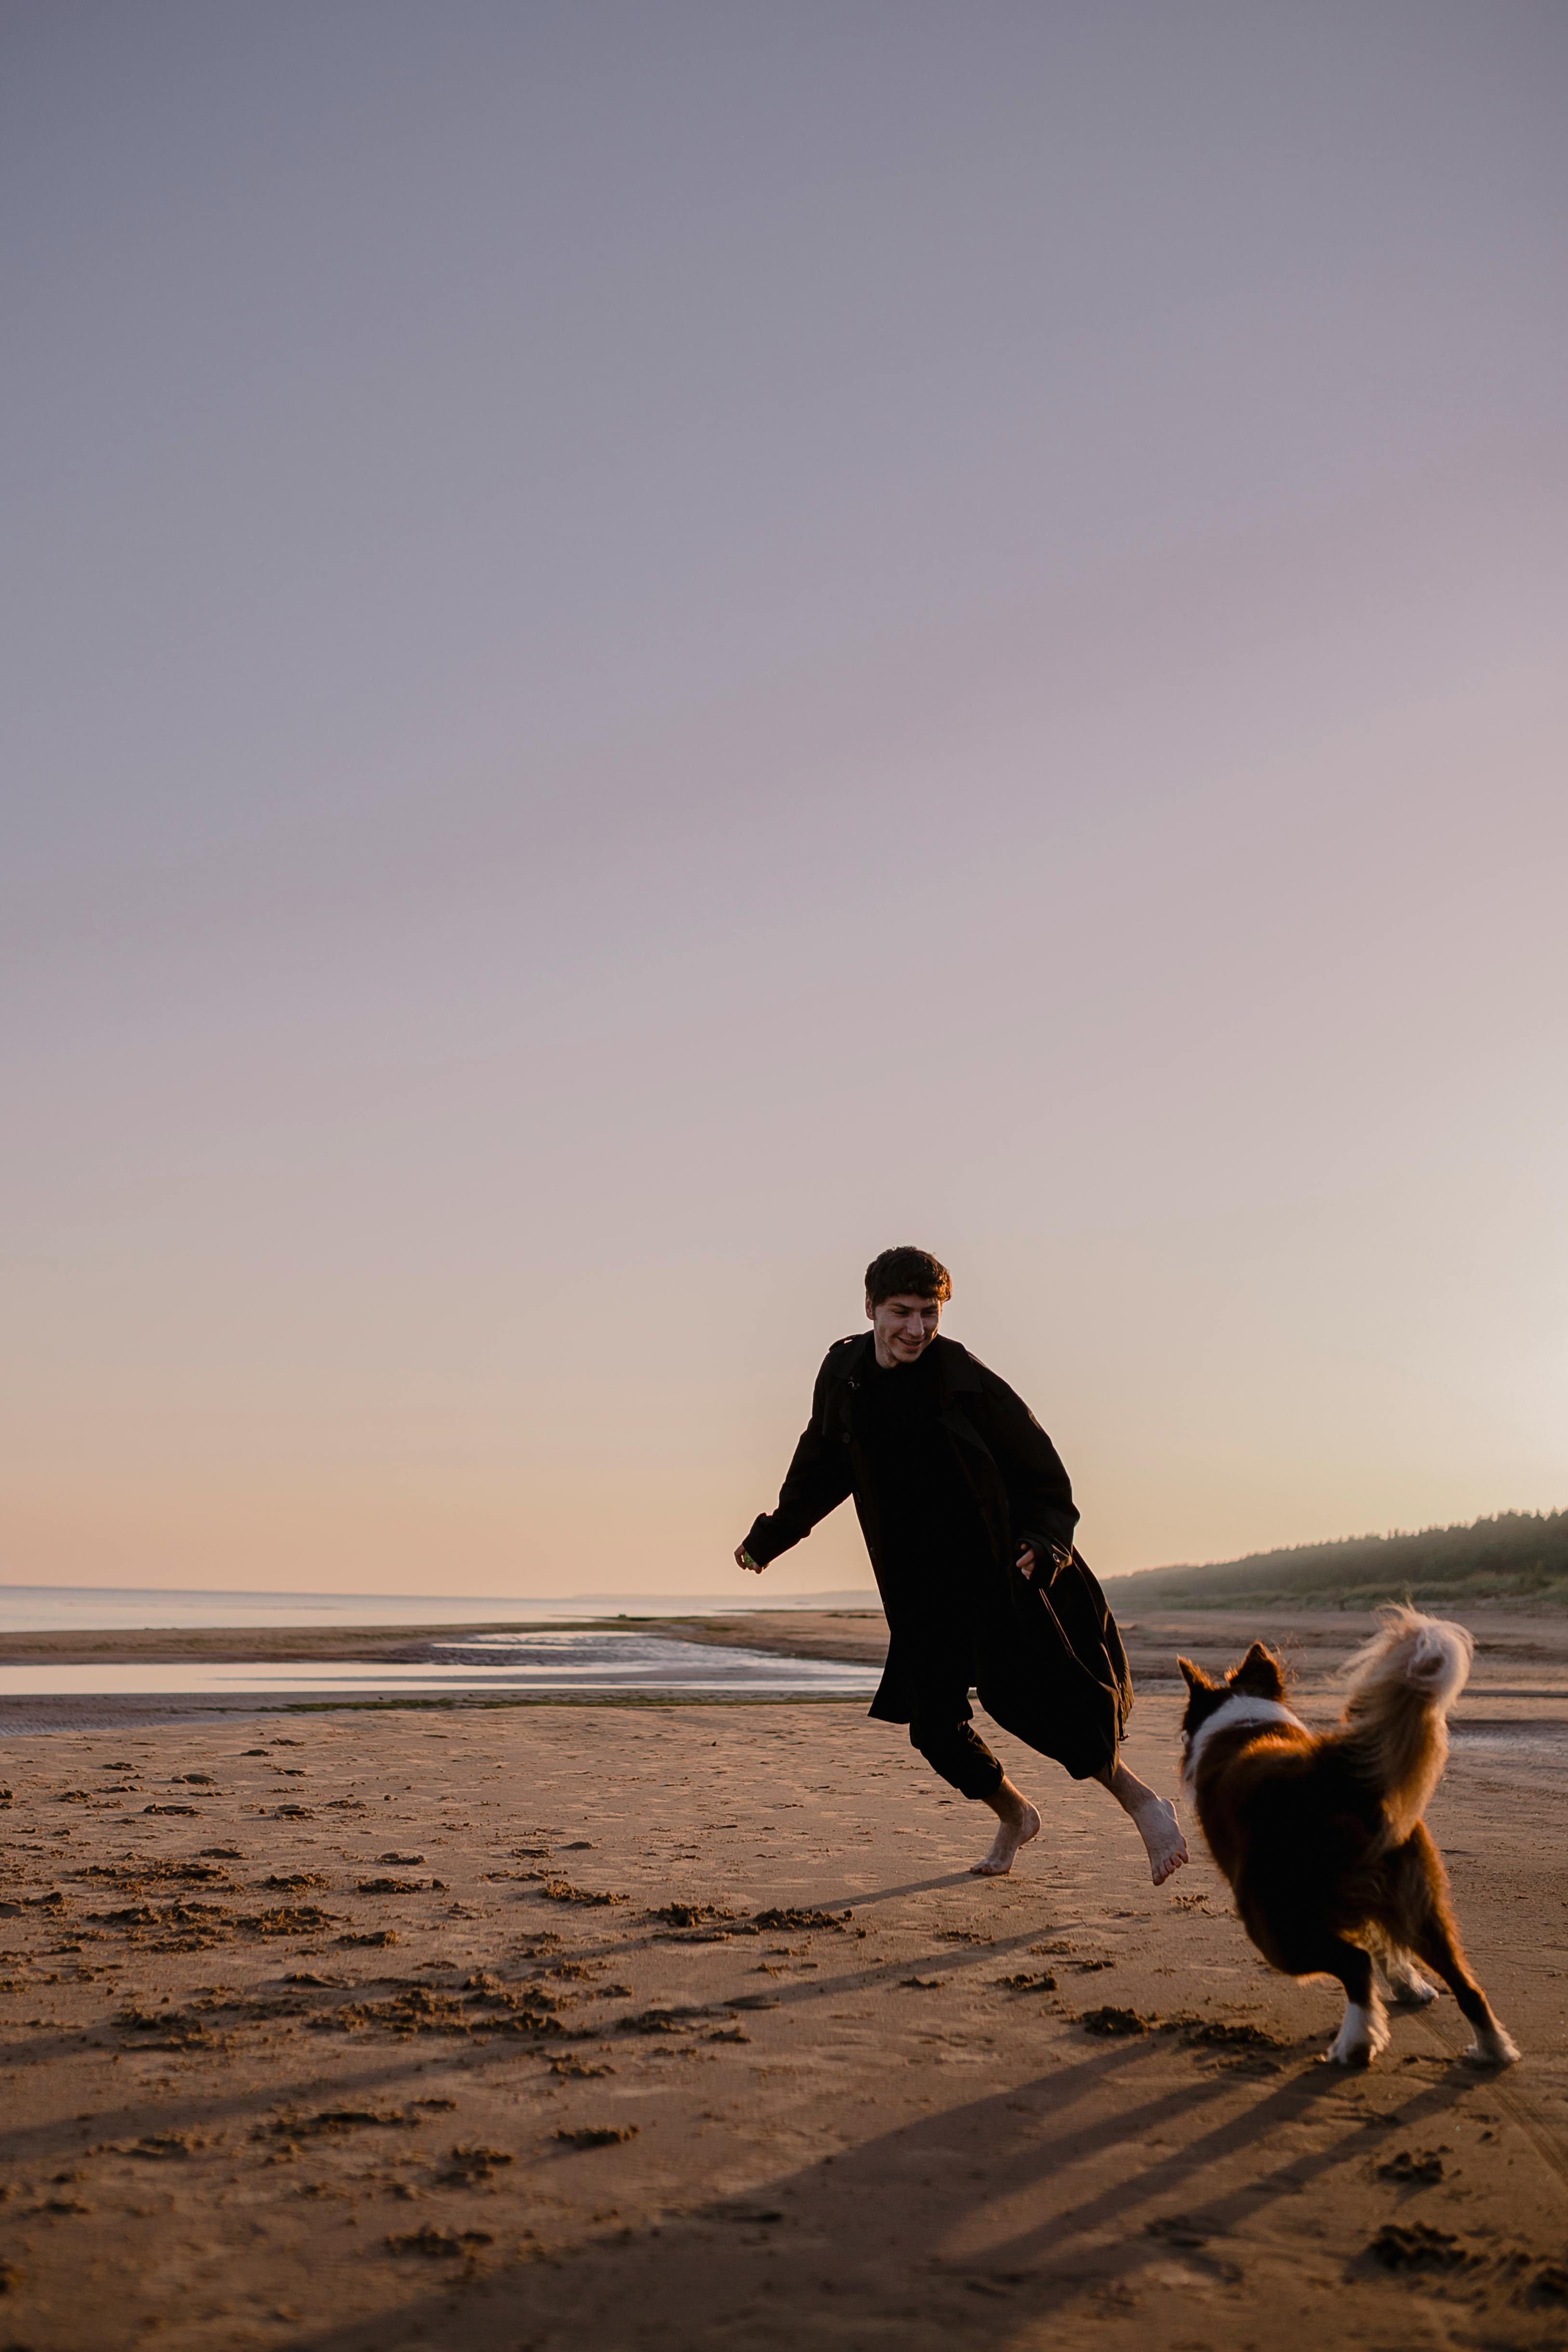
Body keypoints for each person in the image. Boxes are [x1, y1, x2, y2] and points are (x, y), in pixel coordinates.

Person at [735, 1246, 1188, 1884]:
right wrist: (770, 1538)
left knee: (1034, 1702)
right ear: (870, 1308)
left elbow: (1041, 1469)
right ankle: (1015, 1814)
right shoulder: (844, 1374)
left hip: (993, 1567)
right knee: (933, 1728)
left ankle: (1144, 1803)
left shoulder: (962, 1378)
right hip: (917, 1584)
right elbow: (822, 1463)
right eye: (901, 1312)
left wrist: (1046, 1539)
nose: (915, 1329)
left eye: (929, 1313)